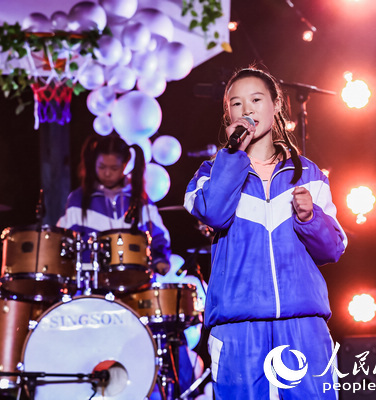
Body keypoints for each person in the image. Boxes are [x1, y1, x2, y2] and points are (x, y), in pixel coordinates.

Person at [183, 67, 347, 399]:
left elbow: (333, 248)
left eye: (256, 100)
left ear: (276, 105)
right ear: (228, 115)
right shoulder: (210, 173)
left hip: (303, 323)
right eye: (236, 103)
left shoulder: (308, 174)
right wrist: (233, 157)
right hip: (237, 327)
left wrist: (309, 217)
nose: (247, 109)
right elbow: (213, 212)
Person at [57, 134, 171, 282]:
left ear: (125, 164)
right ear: (94, 163)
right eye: (101, 167)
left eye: (114, 168)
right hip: (92, 284)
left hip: (137, 283)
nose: (107, 173)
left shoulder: (141, 200)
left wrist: (160, 259)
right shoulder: (78, 199)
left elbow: (159, 236)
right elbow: (63, 239)